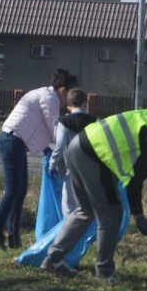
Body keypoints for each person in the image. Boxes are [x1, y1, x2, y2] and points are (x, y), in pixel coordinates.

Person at [40, 111, 147, 282]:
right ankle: (104, 272)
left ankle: (54, 258)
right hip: (95, 155)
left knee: (85, 211)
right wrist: (138, 215)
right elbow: (136, 180)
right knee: (112, 215)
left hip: (78, 145)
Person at [0, 68, 78, 249]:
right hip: (12, 141)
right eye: (68, 93)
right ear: (62, 89)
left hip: (17, 142)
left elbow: (38, 127)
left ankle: (13, 236)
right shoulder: (49, 98)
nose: (67, 98)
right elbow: (54, 128)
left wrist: (47, 149)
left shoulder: (42, 94)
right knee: (12, 191)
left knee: (20, 192)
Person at [48, 87, 97, 217]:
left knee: (69, 205)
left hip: (71, 169)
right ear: (85, 104)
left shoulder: (63, 122)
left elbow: (59, 145)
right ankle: (88, 233)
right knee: (87, 204)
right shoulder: (95, 121)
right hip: (90, 170)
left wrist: (52, 165)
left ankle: (71, 231)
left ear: (68, 106)